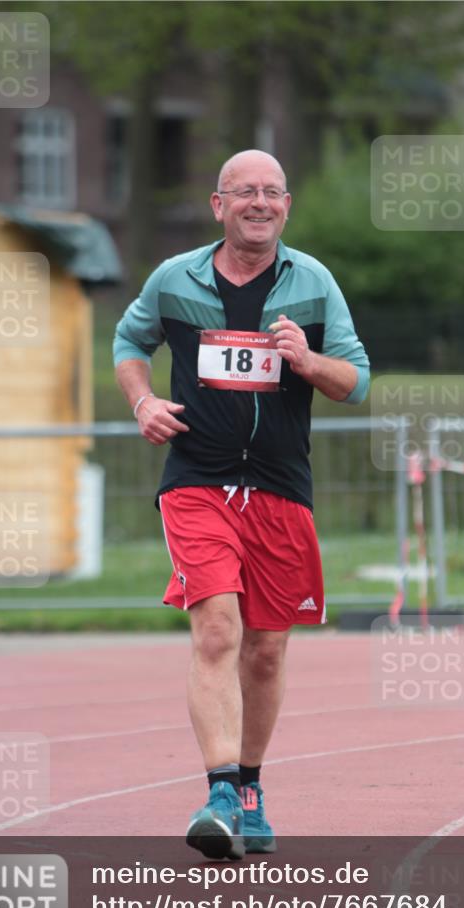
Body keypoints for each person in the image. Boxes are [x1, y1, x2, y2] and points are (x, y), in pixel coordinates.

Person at [113, 149, 370, 861]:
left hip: (281, 486)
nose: (259, 202)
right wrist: (142, 401)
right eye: (244, 191)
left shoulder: (313, 282)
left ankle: (249, 789)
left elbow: (356, 381)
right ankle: (220, 791)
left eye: (271, 192)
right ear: (218, 204)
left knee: (265, 649)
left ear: (286, 205)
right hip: (197, 479)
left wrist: (306, 360)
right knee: (217, 630)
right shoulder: (175, 278)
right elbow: (130, 340)